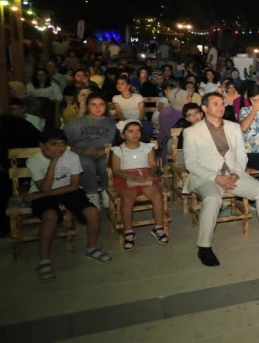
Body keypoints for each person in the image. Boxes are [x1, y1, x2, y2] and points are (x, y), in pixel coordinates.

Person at [184, 92, 259, 267]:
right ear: (204, 108)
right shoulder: (191, 132)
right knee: (212, 199)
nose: (220, 107)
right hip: (207, 177)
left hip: (234, 175)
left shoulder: (233, 127)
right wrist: (216, 177)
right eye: (215, 104)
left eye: (222, 104)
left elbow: (241, 155)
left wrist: (236, 174)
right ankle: (204, 247)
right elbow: (191, 163)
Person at [26, 130, 111, 281]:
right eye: (53, 144)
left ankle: (92, 248)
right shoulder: (34, 160)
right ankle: (44, 261)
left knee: (93, 212)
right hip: (45, 191)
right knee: (50, 216)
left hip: (66, 190)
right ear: (42, 146)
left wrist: (42, 194)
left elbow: (74, 186)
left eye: (62, 144)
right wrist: (53, 162)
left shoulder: (72, 157)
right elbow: (44, 187)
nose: (59, 148)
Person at [110, 120, 167, 250]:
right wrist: (131, 176)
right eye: (130, 131)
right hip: (125, 177)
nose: (135, 134)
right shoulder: (118, 150)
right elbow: (116, 170)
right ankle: (129, 231)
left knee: (157, 196)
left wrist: (150, 173)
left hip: (145, 175)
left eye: (138, 131)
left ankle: (158, 227)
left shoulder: (147, 147)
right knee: (128, 198)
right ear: (123, 135)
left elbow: (152, 165)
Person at [63, 92, 118, 209]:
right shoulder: (74, 123)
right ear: (87, 106)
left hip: (104, 152)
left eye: (101, 104)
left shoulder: (112, 123)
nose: (98, 108)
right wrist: (81, 150)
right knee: (85, 163)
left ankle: (106, 191)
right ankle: (91, 194)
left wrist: (103, 150)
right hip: (81, 152)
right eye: (93, 105)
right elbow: (63, 144)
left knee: (106, 163)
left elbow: (118, 143)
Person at [112, 75, 153, 142]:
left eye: (122, 83)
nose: (119, 85)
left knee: (148, 128)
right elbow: (119, 113)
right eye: (118, 84)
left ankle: (144, 145)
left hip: (139, 120)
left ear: (128, 86)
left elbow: (142, 112)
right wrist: (126, 122)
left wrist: (138, 122)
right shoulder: (116, 98)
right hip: (125, 121)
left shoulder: (138, 97)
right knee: (115, 130)